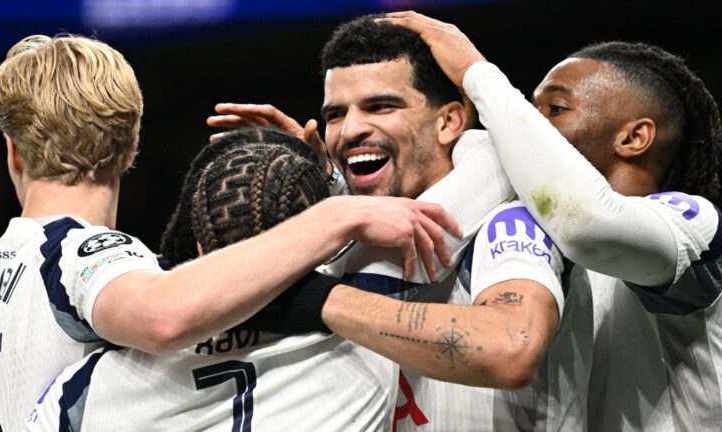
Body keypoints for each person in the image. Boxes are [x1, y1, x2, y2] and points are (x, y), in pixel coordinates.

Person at [0, 33, 456, 431]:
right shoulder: (79, 255)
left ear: (13, 152)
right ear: (132, 148)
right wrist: (335, 214)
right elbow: (165, 314)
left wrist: (325, 184)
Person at [208, 15, 567, 431]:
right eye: (337, 115)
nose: (351, 130)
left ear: (449, 122)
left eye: (381, 107)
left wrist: (319, 298)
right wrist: (312, 195)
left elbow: (511, 349)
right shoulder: (337, 234)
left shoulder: (507, 222)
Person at [383, 10, 722, 431]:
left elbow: (586, 223)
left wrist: (477, 73)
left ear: (633, 138)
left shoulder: (693, 226)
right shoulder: (537, 236)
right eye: (529, 110)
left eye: (554, 109)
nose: (527, 128)